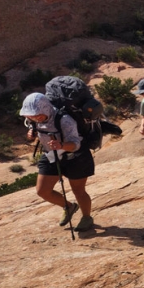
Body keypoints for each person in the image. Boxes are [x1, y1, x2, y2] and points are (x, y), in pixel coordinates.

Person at [20, 93, 95, 232]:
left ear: (46, 108)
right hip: (51, 155)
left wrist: (61, 145)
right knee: (42, 191)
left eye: (37, 115)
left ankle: (87, 218)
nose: (35, 118)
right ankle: (69, 206)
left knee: (78, 190)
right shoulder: (34, 119)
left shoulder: (65, 120)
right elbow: (37, 128)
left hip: (76, 157)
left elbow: (76, 144)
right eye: (31, 116)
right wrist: (32, 133)